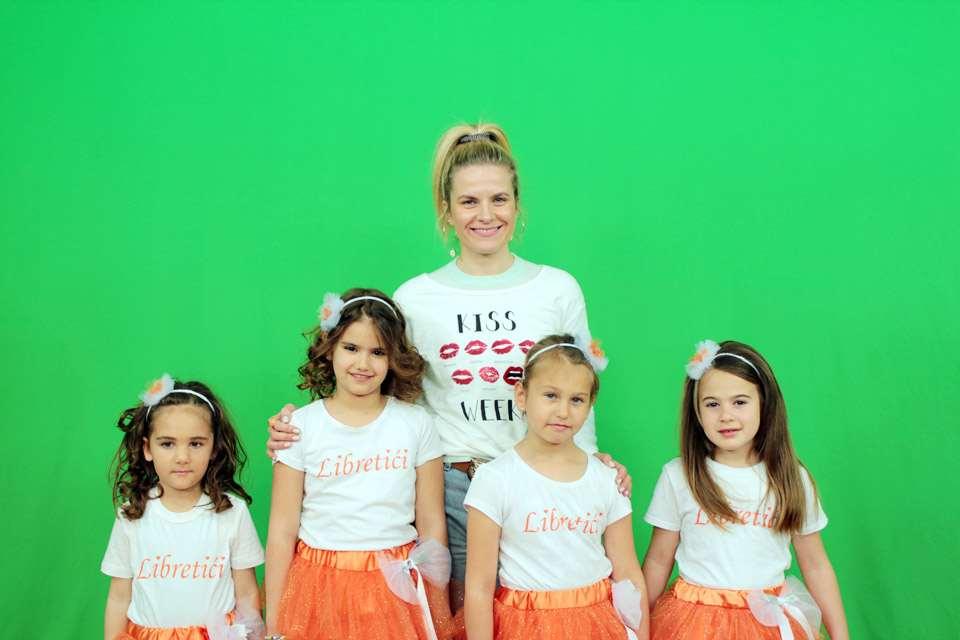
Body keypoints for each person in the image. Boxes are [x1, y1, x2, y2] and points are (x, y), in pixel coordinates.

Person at [267, 123, 630, 595]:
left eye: (499, 199)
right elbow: (383, 395)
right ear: (447, 210)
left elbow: (579, 388)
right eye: (469, 201)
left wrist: (590, 467)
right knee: (461, 614)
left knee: (540, 615)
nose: (486, 214)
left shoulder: (557, 289)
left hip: (540, 479)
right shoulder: (415, 298)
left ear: (517, 204)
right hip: (451, 489)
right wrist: (302, 427)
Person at [264, 288, 454, 640]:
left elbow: (430, 521)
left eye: (377, 352)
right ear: (330, 348)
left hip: (396, 587)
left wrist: (438, 604)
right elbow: (282, 528)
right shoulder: (299, 427)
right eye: (351, 348)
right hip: (318, 585)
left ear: (393, 357)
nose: (363, 364)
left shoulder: (416, 423)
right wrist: (273, 624)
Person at [641, 340, 848, 640]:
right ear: (696, 411)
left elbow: (815, 565)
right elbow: (659, 559)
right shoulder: (679, 475)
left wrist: (840, 636)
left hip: (768, 623)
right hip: (694, 624)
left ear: (764, 403)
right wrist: (637, 628)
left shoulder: (791, 478)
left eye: (739, 402)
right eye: (712, 404)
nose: (726, 415)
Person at [464, 334, 649, 640]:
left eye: (576, 399)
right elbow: (479, 587)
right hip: (523, 628)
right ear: (522, 395)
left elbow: (629, 574)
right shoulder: (495, 478)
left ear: (590, 404)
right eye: (551, 395)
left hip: (596, 626)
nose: (563, 411)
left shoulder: (606, 478)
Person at [102, 375, 264, 640]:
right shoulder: (132, 515)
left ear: (214, 448)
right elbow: (119, 598)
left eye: (196, 443)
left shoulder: (232, 511)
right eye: (167, 444)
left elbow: (246, 593)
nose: (182, 457)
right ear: (147, 449)